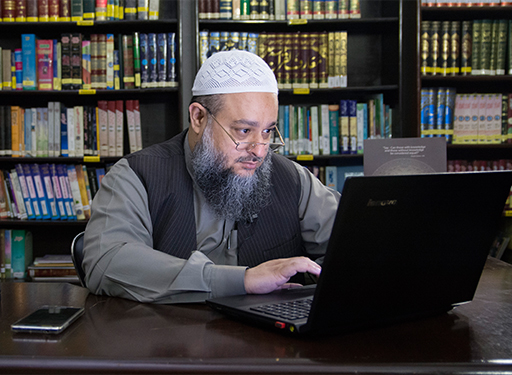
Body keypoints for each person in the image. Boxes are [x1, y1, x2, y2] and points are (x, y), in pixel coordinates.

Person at [83, 50, 340, 304]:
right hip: (169, 339)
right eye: (243, 130)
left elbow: (355, 240)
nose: (259, 151)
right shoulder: (136, 176)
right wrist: (243, 280)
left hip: (271, 341)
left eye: (267, 132)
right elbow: (107, 261)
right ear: (198, 117)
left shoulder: (292, 178)